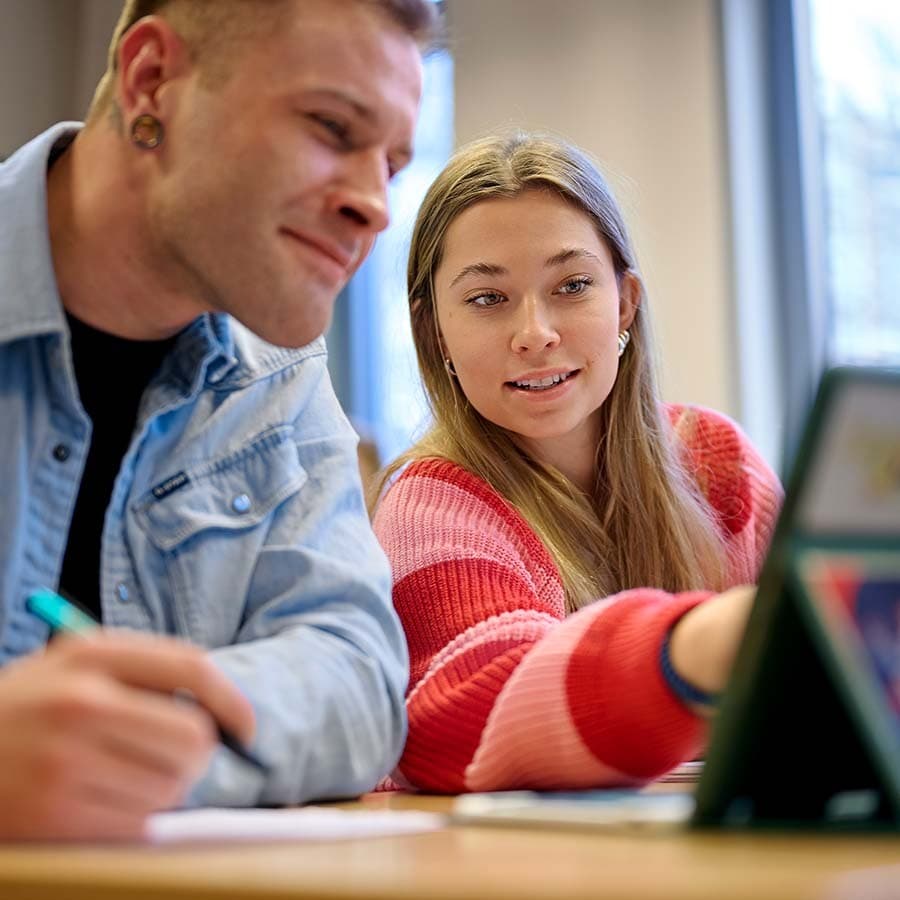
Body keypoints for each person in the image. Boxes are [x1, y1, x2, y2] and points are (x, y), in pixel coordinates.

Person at [0, 0, 436, 840]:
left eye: (390, 163)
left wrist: (140, 746)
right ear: (152, 82)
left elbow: (356, 680)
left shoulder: (278, 375)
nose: (376, 205)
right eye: (332, 127)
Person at [371, 133, 784, 793]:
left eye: (572, 285)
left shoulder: (720, 461)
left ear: (624, 302)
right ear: (434, 332)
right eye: (487, 299)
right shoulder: (427, 505)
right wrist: (695, 648)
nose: (535, 332)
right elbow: (467, 719)